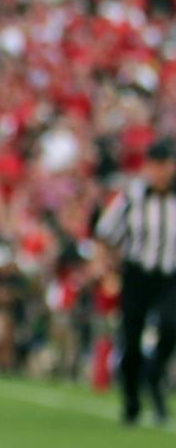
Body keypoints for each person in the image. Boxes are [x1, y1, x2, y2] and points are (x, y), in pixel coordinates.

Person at [96, 138, 176, 426]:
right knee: (130, 338)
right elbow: (106, 233)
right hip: (136, 274)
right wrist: (108, 269)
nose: (160, 172)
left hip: (170, 276)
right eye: (155, 165)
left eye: (165, 165)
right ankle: (131, 399)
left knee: (170, 324)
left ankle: (155, 375)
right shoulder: (132, 196)